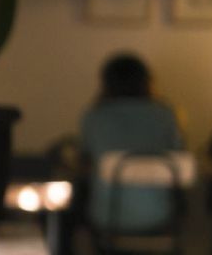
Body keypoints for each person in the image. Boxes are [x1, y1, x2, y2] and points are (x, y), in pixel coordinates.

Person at [79, 53, 184, 234]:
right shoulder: (164, 114)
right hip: (158, 213)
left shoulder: (94, 116)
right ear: (147, 81)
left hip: (108, 215)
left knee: (70, 210)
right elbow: (179, 156)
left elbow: (85, 157)